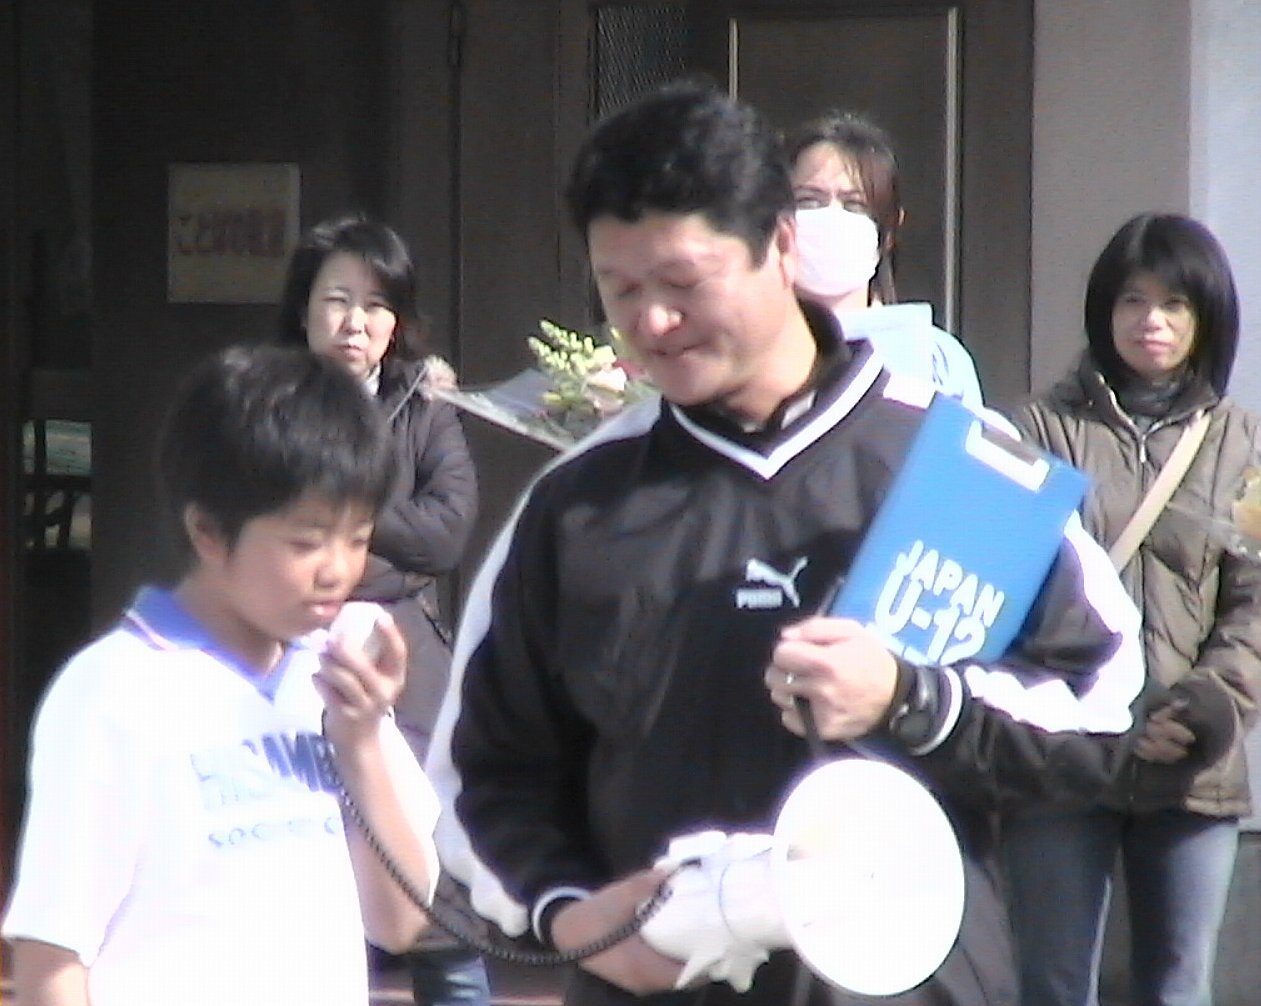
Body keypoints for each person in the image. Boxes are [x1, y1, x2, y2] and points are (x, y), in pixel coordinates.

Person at [424, 81, 1155, 1006]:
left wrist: (913, 699)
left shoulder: (962, 468)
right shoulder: (574, 505)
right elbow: (479, 779)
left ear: (779, 246)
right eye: (622, 289)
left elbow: (1103, 706)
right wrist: (574, 917)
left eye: (683, 283)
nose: (651, 322)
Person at [2, 344, 440, 1006]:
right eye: (305, 541)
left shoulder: (335, 681)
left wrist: (360, 743)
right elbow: (51, 959)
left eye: (357, 539)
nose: (337, 570)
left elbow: (401, 922)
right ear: (208, 531)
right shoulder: (111, 692)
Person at [1002, 213, 1261, 1006]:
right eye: (1132, 300)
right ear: (1102, 310)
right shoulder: (1035, 429)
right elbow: (1009, 589)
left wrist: (1207, 707)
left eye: (1174, 303)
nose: (1151, 320)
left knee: (1178, 988)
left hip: (1192, 762)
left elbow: (1253, 603)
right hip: (1063, 755)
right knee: (1051, 987)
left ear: (1206, 317)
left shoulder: (1244, 444)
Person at [276, 215, 487, 1006]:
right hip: (287, 654)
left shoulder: (425, 407)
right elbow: (259, 532)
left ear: (397, 320)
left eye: (374, 305)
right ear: (304, 308)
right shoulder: (263, 405)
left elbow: (446, 533)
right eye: (336, 300)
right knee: (300, 883)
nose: (354, 322)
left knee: (433, 889)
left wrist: (348, 502)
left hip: (405, 659)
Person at [785, 111, 983, 408]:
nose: (832, 216)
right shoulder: (747, 353)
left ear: (888, 231)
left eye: (854, 205)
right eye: (809, 201)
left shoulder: (938, 360)